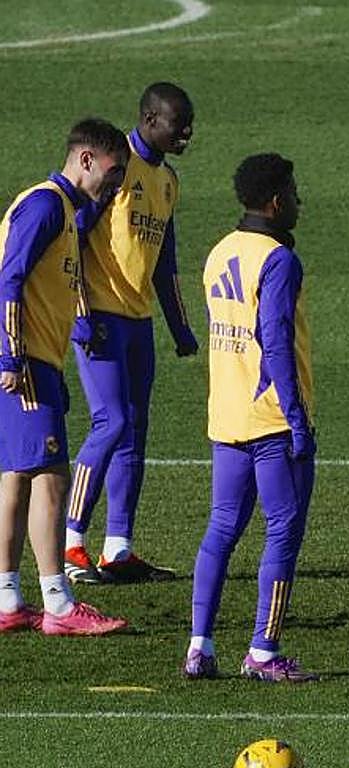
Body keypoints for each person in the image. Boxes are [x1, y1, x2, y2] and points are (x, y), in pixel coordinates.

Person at [183, 153, 317, 682]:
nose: (300, 202)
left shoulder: (219, 252)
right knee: (282, 531)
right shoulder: (279, 259)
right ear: (276, 200)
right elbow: (276, 342)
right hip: (273, 419)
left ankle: (199, 646)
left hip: (227, 415)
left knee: (221, 529)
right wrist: (298, 419)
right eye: (295, 192)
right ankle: (264, 650)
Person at [0, 118, 130, 635]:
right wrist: (11, 358)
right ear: (85, 160)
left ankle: (8, 599)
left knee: (15, 477)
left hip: (37, 359)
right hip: (24, 360)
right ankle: (57, 602)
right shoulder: (46, 206)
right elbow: (9, 277)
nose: (116, 185)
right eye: (112, 173)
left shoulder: (63, 211)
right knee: (51, 478)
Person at [65, 82, 199, 585]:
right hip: (100, 314)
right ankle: (71, 541)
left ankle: (118, 548)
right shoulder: (114, 166)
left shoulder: (168, 181)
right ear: (149, 119)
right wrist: (78, 309)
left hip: (137, 321)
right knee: (111, 422)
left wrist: (179, 325)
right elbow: (72, 234)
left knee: (134, 431)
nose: (187, 132)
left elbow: (165, 259)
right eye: (177, 123)